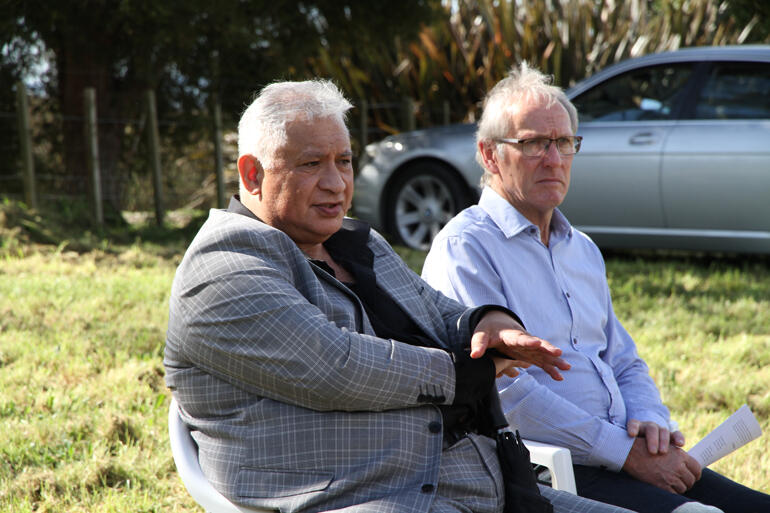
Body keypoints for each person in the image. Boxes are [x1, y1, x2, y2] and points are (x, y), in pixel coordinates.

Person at [163, 79, 635, 513]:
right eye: (311, 164)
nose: (336, 182)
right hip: (365, 496)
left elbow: (434, 310)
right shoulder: (223, 268)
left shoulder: (355, 242)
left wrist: (487, 325)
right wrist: (470, 370)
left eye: (344, 161)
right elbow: (338, 366)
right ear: (252, 174)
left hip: (478, 484)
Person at [421, 62, 770, 513]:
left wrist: (650, 420)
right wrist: (624, 452)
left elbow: (623, 358)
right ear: (490, 156)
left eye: (564, 142)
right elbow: (504, 392)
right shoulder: (465, 247)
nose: (553, 158)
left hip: (626, 454)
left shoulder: (580, 247)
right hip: (548, 468)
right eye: (533, 144)